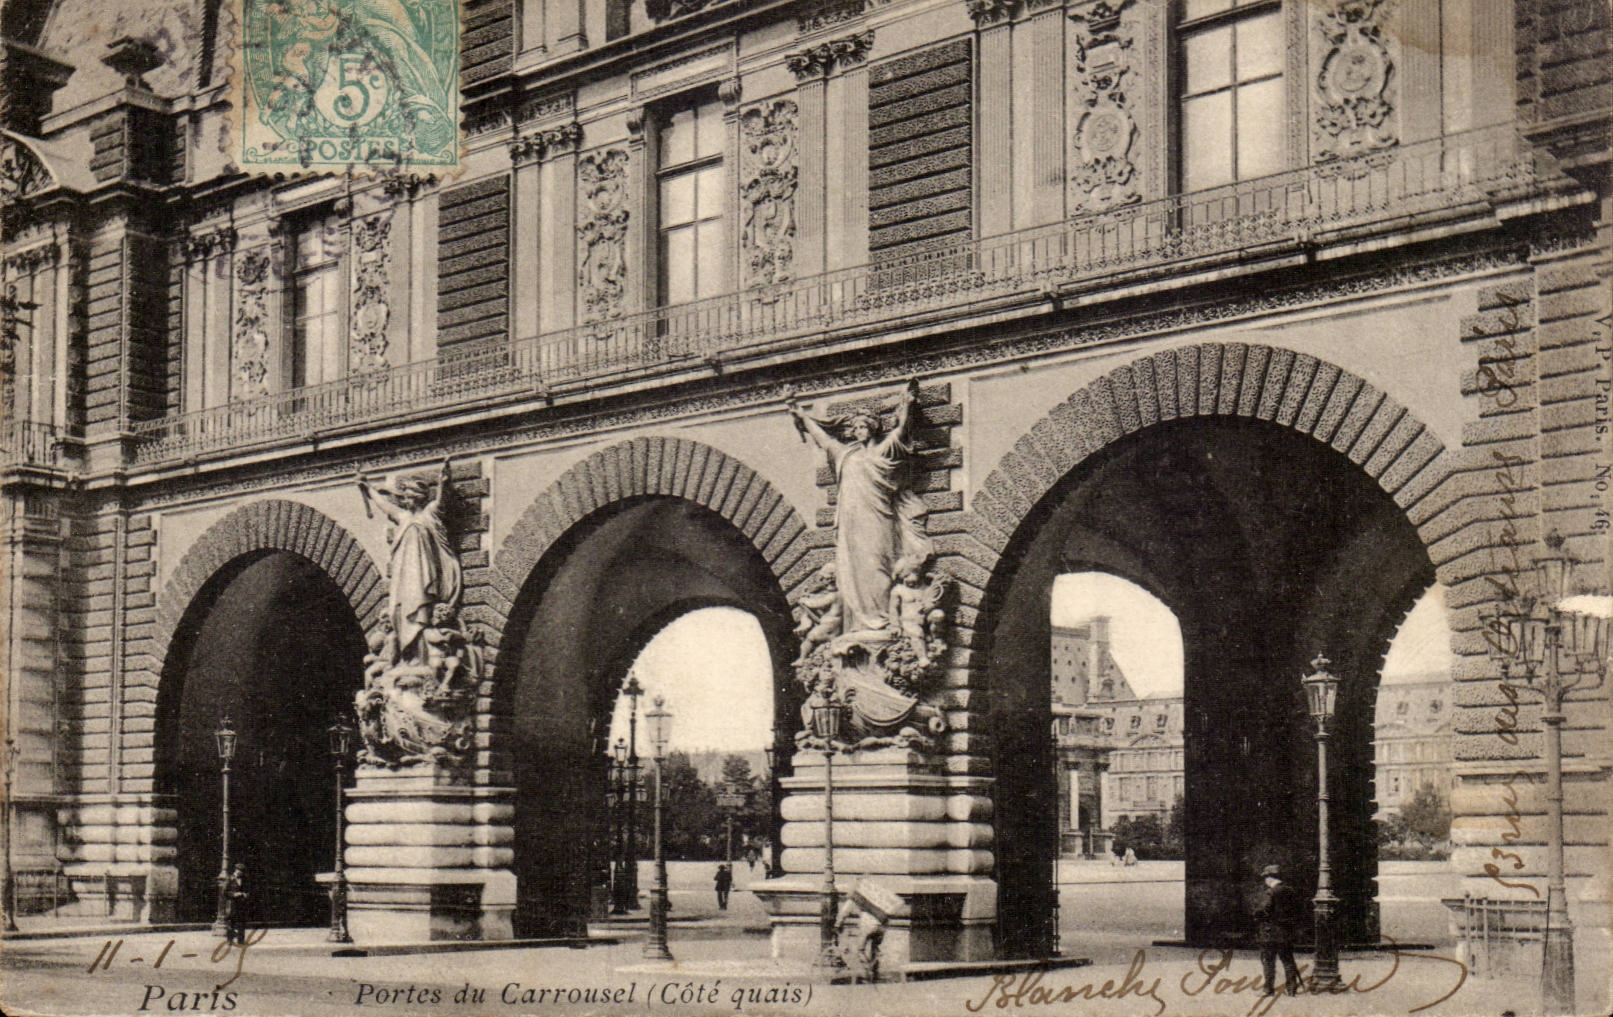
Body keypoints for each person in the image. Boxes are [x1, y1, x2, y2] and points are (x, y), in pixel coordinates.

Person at [788, 380, 928, 636]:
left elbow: (901, 432)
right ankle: (857, 625)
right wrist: (802, 416)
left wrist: (907, 403)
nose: (858, 431)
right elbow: (824, 439)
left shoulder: (883, 452)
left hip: (878, 519)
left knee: (877, 567)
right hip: (850, 525)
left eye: (863, 426)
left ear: (873, 428)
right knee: (850, 572)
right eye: (855, 428)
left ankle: (883, 621)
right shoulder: (846, 455)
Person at [359, 460, 461, 665]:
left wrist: (443, 482)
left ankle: (420, 654)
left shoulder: (429, 514)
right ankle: (407, 657)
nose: (407, 500)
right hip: (403, 576)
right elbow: (385, 506)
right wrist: (368, 488)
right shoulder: (403, 517)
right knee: (401, 611)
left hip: (424, 574)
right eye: (406, 497)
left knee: (421, 608)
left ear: (418, 498)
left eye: (410, 496)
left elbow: (441, 502)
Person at [1253, 864, 1301, 996]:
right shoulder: (1290, 891)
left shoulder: (1271, 892)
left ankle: (1268, 989)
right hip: (1286, 932)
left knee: (1268, 961)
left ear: (1269, 878)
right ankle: (1292, 989)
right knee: (1288, 960)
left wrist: (1256, 914)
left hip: (1270, 933)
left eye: (1265, 877)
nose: (1265, 881)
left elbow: (1264, 909)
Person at [222, 863, 248, 946]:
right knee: (231, 922)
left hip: (241, 904)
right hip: (232, 904)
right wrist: (234, 894)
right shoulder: (229, 879)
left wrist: (245, 894)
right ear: (236, 870)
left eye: (242, 871)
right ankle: (230, 940)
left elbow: (248, 889)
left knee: (241, 922)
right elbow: (224, 892)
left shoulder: (244, 879)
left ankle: (241, 941)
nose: (240, 873)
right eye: (239, 871)